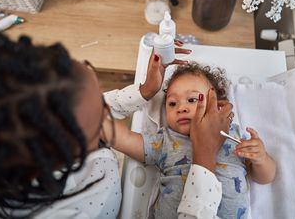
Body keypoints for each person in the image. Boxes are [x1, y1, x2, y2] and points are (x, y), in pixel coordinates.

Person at [0, 26, 232, 219]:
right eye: (101, 119)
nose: (107, 110)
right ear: (59, 158)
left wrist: (142, 91)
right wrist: (204, 159)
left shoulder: (36, 115)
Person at [102, 62, 276, 219]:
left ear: (218, 106)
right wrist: (143, 92)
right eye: (172, 103)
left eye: (192, 100)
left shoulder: (233, 136)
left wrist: (260, 159)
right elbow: (120, 137)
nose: (181, 108)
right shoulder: (165, 141)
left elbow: (264, 178)